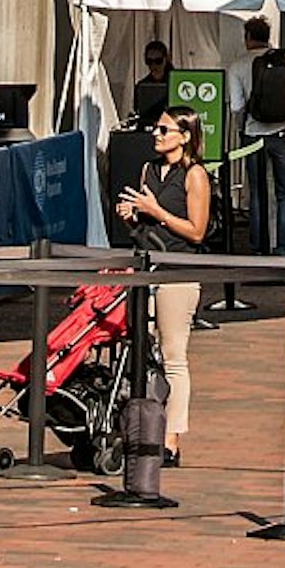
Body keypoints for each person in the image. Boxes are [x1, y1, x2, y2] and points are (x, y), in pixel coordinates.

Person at [115, 108, 213, 464]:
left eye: (163, 129)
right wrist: (132, 213)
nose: (156, 134)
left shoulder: (195, 175)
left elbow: (196, 231)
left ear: (185, 136)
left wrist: (156, 211)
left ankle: (171, 439)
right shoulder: (149, 170)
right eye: (154, 128)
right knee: (140, 351)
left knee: (172, 356)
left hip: (178, 272)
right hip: (146, 268)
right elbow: (144, 217)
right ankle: (141, 431)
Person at [238, 20, 285, 259]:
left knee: (257, 192)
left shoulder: (238, 65)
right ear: (268, 35)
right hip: (282, 134)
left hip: (253, 134)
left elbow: (237, 106)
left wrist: (242, 130)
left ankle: (258, 247)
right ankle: (283, 246)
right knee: (284, 192)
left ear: (247, 36)